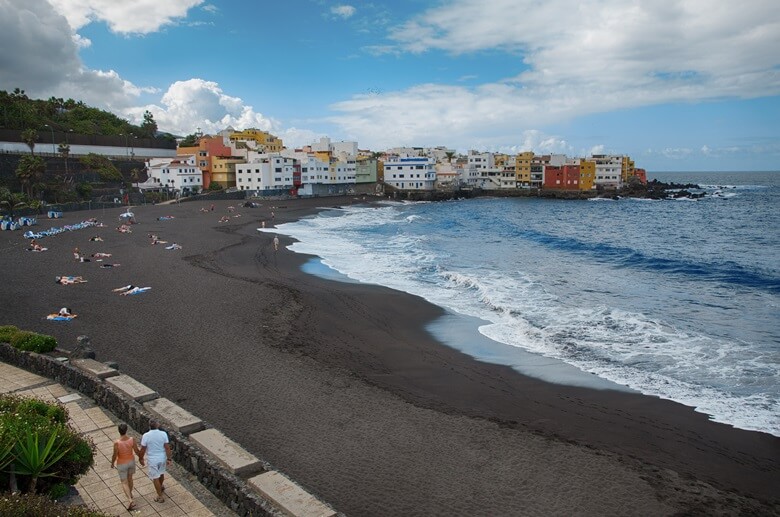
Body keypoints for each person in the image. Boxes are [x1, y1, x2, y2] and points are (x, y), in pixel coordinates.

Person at [110, 423, 143, 511]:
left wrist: (112, 462)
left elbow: (115, 454)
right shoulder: (132, 439)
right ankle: (130, 493)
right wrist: (141, 458)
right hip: (131, 462)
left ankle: (130, 500)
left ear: (119, 431)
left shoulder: (117, 443)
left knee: (124, 482)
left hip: (122, 463)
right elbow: (136, 450)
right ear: (126, 430)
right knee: (130, 478)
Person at [138, 419, 172, 503]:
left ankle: (160, 496)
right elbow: (167, 447)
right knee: (161, 473)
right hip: (162, 457)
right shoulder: (163, 434)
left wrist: (141, 458)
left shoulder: (146, 436)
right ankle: (161, 486)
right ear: (157, 425)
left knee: (155, 477)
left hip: (153, 459)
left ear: (149, 426)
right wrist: (169, 458)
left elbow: (143, 449)